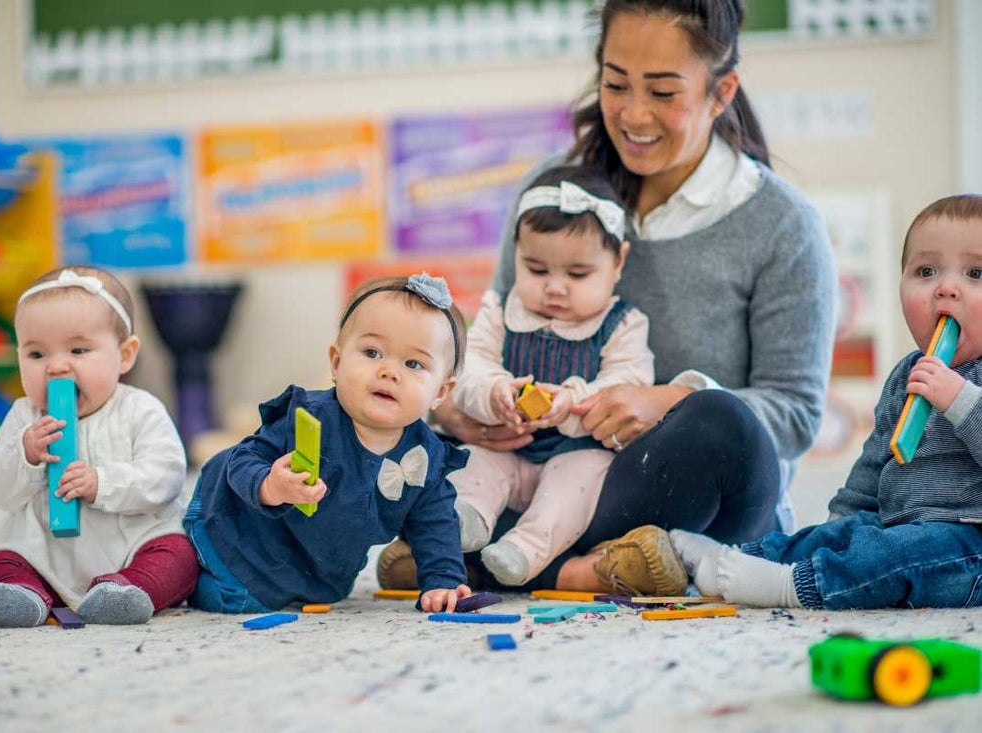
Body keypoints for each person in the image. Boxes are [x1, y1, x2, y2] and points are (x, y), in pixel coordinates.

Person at [378, 0, 837, 595]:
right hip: (530, 467)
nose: (633, 114)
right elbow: (489, 335)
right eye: (615, 85)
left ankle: (469, 557)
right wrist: (456, 408)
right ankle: (575, 566)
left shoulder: (782, 223)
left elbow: (796, 416)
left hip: (675, 490)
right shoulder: (553, 191)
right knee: (395, 405)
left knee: (721, 425)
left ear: (722, 92)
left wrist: (668, 401)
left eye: (664, 92)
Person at [672, 195, 982, 609]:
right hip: (896, 523)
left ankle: (793, 586)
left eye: (975, 272)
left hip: (967, 545)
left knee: (895, 554)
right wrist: (844, 520)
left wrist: (960, 400)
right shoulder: (908, 373)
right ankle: (729, 560)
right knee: (834, 537)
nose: (946, 287)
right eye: (926, 271)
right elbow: (876, 461)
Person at [184, 275, 472, 614]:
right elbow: (245, 457)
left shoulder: (427, 458)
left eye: (414, 364)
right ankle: (181, 565)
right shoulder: (310, 415)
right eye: (372, 352)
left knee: (309, 597)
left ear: (440, 392)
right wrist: (270, 485)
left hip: (316, 563)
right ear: (336, 362)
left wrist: (443, 579)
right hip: (235, 525)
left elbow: (435, 522)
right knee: (237, 598)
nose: (389, 372)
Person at [0, 266, 197, 627]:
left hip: (132, 546)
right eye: (36, 355)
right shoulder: (24, 416)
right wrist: (25, 455)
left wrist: (103, 482)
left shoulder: (138, 408)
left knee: (179, 556)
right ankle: (26, 597)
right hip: (45, 553)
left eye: (78, 349)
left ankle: (124, 593)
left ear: (125, 355)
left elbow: (165, 478)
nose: (55, 367)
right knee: (0, 560)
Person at [450, 165, 654, 587]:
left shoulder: (623, 323)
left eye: (578, 274)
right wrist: (494, 392)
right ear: (516, 255)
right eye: (537, 270)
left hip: (577, 451)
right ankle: (464, 521)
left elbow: (629, 384)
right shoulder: (499, 309)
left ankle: (523, 550)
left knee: (575, 488)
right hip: (507, 445)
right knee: (473, 463)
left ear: (618, 262)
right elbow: (470, 367)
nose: (555, 288)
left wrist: (571, 401)